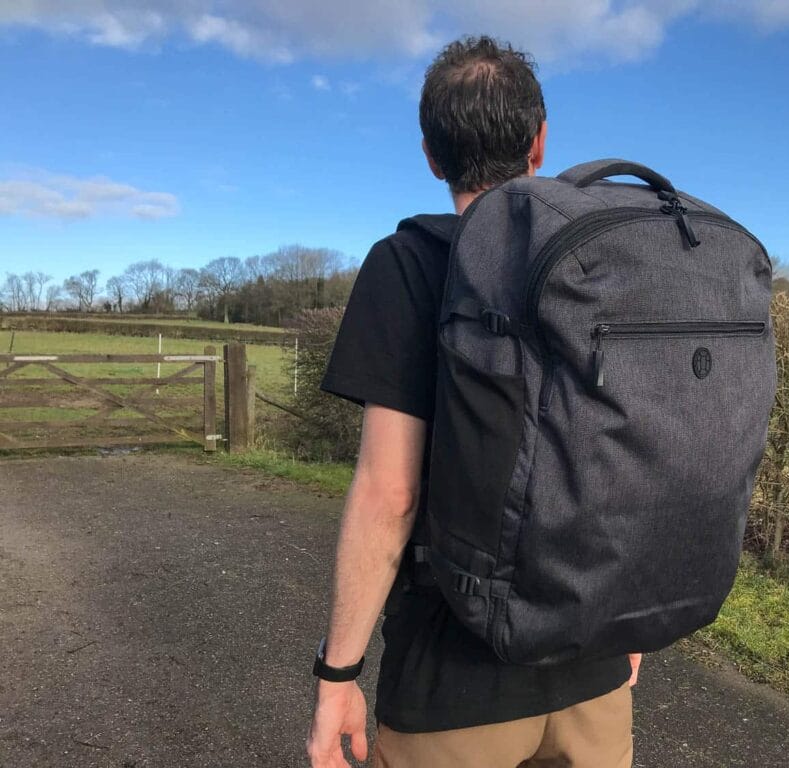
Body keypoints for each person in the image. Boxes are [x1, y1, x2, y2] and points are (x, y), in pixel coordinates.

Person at [306, 35, 640, 768]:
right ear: (540, 143)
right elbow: (633, 452)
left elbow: (390, 494)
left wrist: (338, 676)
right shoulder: (599, 268)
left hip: (449, 693)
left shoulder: (411, 264)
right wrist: (627, 620)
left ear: (430, 153)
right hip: (595, 674)